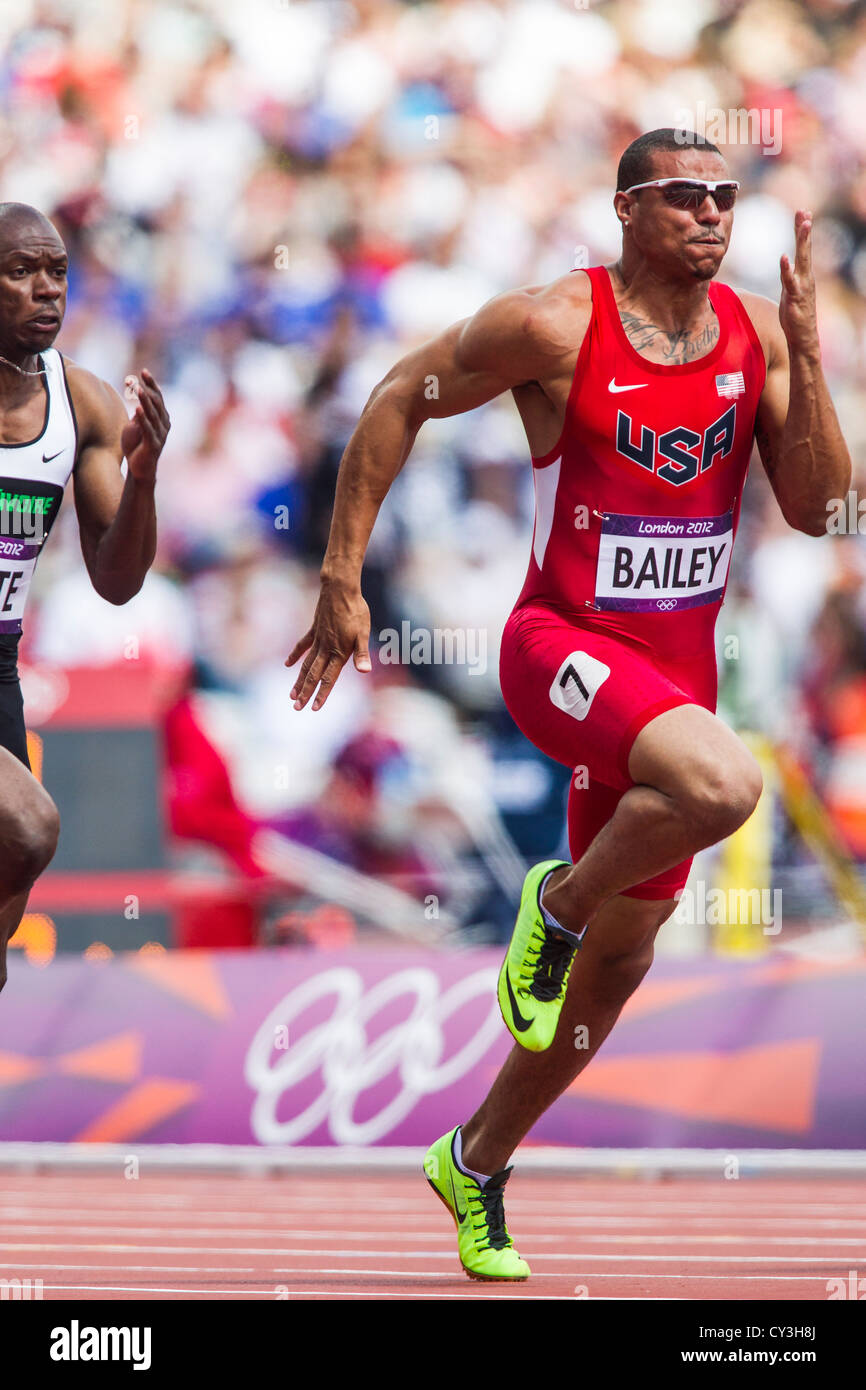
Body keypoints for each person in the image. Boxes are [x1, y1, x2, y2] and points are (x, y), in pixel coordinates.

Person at [286, 130, 851, 1280]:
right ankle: (549, 910)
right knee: (724, 785)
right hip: (560, 649)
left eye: (724, 195)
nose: (710, 213)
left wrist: (807, 349)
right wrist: (342, 575)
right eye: (684, 195)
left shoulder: (751, 335)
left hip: (671, 685)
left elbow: (815, 508)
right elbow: (400, 396)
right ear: (625, 209)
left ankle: (475, 1160)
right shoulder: (554, 323)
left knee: (623, 961)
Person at [0, 203, 170, 996]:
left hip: (2, 671)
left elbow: (117, 580)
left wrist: (142, 475)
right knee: (30, 826)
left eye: (57, 273)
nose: (46, 290)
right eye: (21, 272)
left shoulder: (86, 405)